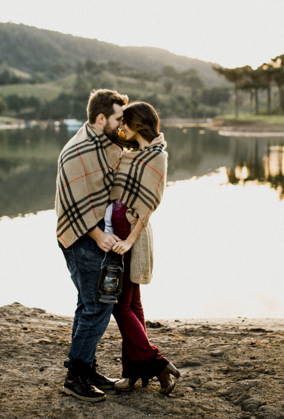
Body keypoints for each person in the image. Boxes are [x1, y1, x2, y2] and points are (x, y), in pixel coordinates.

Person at [55, 88, 128, 402]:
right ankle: (75, 376)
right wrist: (99, 237)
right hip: (81, 239)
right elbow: (77, 202)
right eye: (118, 119)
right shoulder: (80, 150)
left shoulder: (103, 144)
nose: (122, 125)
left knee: (88, 304)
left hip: (96, 236)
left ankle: (87, 368)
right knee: (99, 304)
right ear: (102, 119)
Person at [106, 101, 181, 395]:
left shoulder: (156, 157)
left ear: (139, 123)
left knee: (119, 305)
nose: (121, 127)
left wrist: (129, 239)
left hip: (129, 231)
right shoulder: (136, 152)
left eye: (125, 122)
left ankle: (155, 361)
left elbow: (148, 205)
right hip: (122, 228)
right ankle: (134, 374)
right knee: (133, 305)